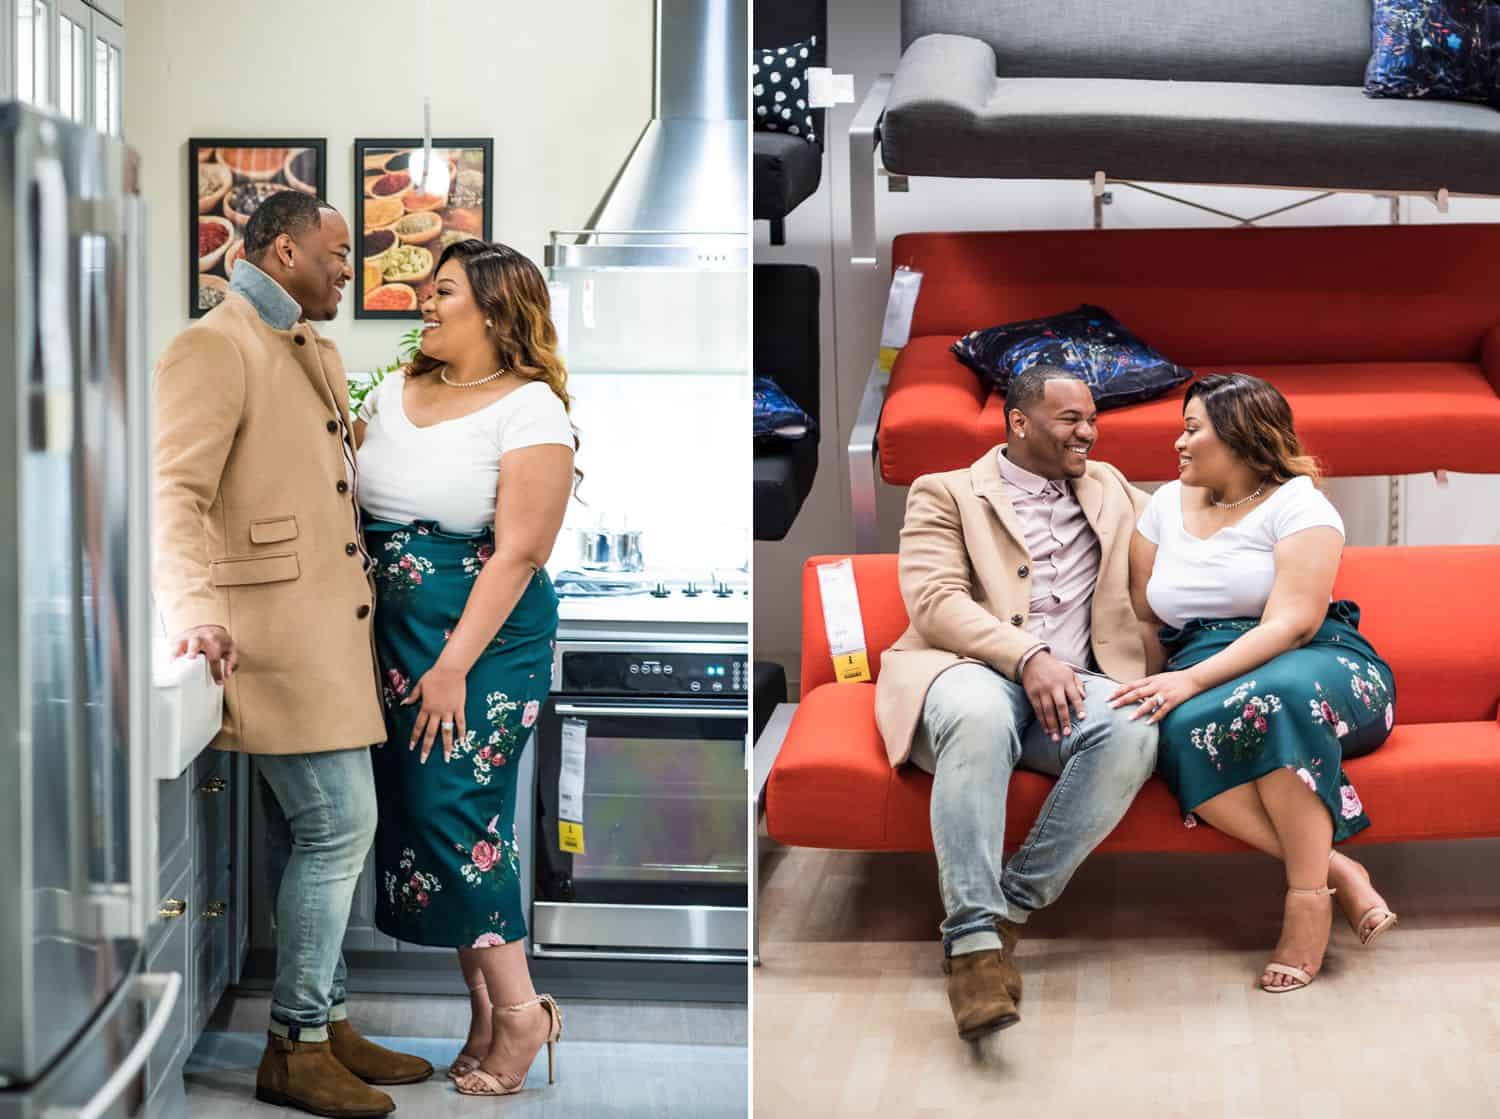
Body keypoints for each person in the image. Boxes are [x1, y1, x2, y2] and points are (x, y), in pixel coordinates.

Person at [154, 191, 432, 1119]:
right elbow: (175, 493)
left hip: (325, 634)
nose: (351, 268)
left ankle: (331, 1021)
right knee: (338, 828)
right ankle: (294, 1046)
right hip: (268, 642)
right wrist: (194, 607)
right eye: (338, 251)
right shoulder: (215, 344)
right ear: (280, 251)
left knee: (318, 836)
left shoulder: (308, 344)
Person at [874, 366, 1159, 1041]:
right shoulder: (945, 493)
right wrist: (1027, 657)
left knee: (1132, 723)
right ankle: (972, 948)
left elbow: (1198, 519)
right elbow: (936, 601)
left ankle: (1005, 913)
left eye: (1092, 418)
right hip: (966, 670)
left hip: (1078, 684)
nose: (1087, 431)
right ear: (1020, 421)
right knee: (980, 714)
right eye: (1070, 419)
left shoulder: (1113, 488)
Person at [353, 240, 576, 1097]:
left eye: (442, 289)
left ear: (491, 309)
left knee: (459, 815)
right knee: (423, 814)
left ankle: (525, 1014)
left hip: (484, 643)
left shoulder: (529, 410)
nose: (424, 299)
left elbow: (519, 550)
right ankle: (484, 1009)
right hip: (399, 642)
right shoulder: (393, 392)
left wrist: (451, 667)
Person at [1115, 372, 1398, 993]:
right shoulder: (1163, 505)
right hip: (1204, 667)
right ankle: (1339, 869)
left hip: (1321, 664)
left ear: (1241, 436)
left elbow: (1294, 624)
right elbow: (1142, 614)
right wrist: (1156, 685)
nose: (1178, 445)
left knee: (1278, 703)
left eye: (1192, 430)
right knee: (1161, 736)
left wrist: (1189, 683)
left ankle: (1306, 905)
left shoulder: (1301, 504)